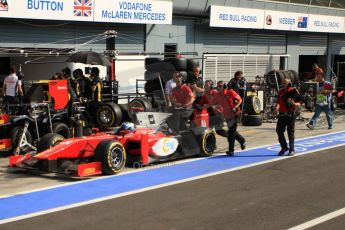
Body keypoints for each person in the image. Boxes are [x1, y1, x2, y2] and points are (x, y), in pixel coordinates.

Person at [200, 80, 245, 156]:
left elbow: (240, 100)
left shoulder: (230, 92)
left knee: (229, 132)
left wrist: (235, 107)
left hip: (235, 114)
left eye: (220, 86)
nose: (219, 87)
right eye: (218, 86)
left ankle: (231, 150)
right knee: (229, 132)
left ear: (224, 86)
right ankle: (241, 140)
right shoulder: (217, 95)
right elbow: (211, 103)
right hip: (226, 115)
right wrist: (204, 106)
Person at [275, 78, 301, 156]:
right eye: (282, 83)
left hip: (291, 114)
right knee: (279, 130)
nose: (283, 85)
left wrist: (292, 103)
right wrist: (276, 108)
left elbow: (299, 105)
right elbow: (279, 102)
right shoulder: (281, 92)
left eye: (285, 83)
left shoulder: (294, 91)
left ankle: (291, 149)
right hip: (282, 114)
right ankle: (284, 147)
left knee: (290, 132)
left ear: (289, 84)